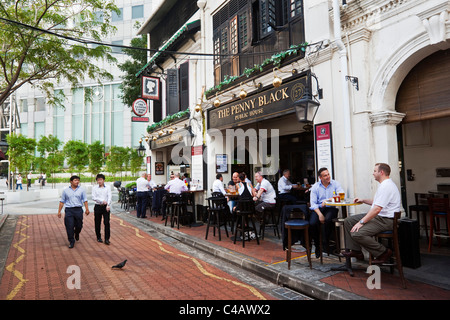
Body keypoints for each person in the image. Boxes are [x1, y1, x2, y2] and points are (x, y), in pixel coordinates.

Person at [342, 163, 401, 264]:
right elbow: (376, 202)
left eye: (374, 171)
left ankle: (384, 252)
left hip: (386, 220)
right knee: (348, 221)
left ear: (381, 172)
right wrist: (363, 200)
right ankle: (356, 251)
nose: (373, 173)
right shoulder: (384, 185)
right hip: (380, 217)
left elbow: (377, 209)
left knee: (357, 234)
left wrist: (361, 222)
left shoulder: (386, 186)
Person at [309, 167, 344, 257]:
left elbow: (341, 196)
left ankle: (326, 243)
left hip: (330, 208)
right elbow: (313, 204)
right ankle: (317, 245)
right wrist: (320, 214)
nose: (328, 177)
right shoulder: (315, 187)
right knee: (312, 223)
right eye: (325, 175)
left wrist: (328, 200)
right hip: (318, 209)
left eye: (328, 174)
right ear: (320, 178)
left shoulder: (335, 184)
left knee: (328, 220)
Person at [57, 175, 90, 248]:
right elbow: (62, 201)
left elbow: (85, 200)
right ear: (71, 181)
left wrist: (87, 209)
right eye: (75, 180)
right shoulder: (66, 191)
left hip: (78, 210)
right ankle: (71, 241)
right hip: (69, 210)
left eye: (78, 180)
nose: (77, 182)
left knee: (79, 225)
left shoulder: (82, 190)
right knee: (69, 226)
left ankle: (77, 233)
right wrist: (59, 212)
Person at [92, 173, 112, 244]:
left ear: (103, 180)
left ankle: (107, 239)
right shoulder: (94, 188)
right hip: (98, 206)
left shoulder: (108, 187)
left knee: (106, 222)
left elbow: (109, 196)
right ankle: (98, 237)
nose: (99, 181)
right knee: (97, 222)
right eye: (98, 180)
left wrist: (108, 205)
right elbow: (93, 197)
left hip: (106, 207)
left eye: (101, 180)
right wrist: (101, 201)